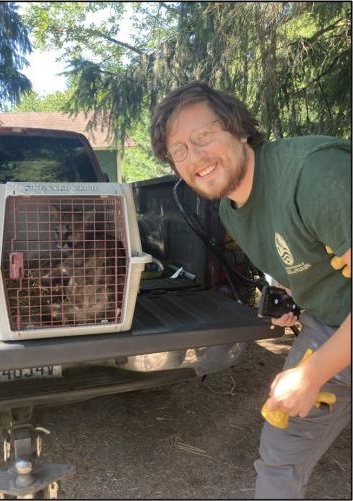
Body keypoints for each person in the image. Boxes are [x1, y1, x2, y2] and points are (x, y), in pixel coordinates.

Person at [150, 81, 351, 499]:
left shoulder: (315, 173)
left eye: (202, 136)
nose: (195, 157)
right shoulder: (231, 209)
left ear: (239, 128)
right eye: (179, 151)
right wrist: (292, 296)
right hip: (330, 323)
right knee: (282, 443)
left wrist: (312, 373)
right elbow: (297, 255)